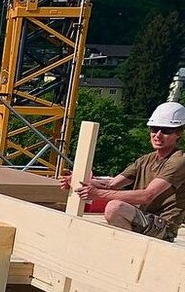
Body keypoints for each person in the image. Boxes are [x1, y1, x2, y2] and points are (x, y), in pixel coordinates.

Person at [61, 101, 185, 241]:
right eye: (154, 129)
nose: (158, 135)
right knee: (114, 208)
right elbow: (111, 184)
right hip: (144, 219)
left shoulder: (179, 161)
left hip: (164, 227)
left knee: (115, 208)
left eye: (166, 131)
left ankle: (133, 251)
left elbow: (147, 195)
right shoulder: (146, 160)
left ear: (178, 133)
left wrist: (98, 194)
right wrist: (80, 182)